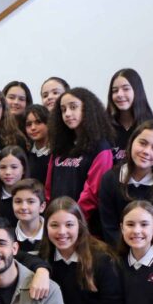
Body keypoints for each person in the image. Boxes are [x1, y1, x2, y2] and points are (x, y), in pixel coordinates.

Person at [98, 120, 153, 246]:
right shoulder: (110, 179)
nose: (146, 151)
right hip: (120, 255)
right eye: (142, 143)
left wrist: (149, 259)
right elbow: (109, 229)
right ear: (131, 142)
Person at [46, 87, 115, 226]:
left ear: (87, 110)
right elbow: (48, 187)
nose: (67, 114)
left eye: (73, 107)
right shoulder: (60, 146)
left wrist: (73, 219)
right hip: (58, 222)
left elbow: (93, 191)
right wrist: (51, 215)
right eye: (63, 109)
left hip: (84, 225)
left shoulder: (100, 147)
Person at [106, 68, 153, 163]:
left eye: (126, 89)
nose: (119, 94)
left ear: (137, 91)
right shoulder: (105, 127)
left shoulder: (151, 126)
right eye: (115, 91)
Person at [0, 145, 30, 222]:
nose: (8, 172)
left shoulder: (32, 196)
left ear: (24, 170)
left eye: (14, 167)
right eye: (3, 167)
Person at [6, 178, 46, 256]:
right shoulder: (7, 237)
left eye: (30, 201)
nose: (23, 207)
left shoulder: (52, 234)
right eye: (18, 201)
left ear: (42, 207)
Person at [23, 104, 51, 183]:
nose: (33, 128)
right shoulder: (26, 153)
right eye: (29, 124)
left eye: (38, 122)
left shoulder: (57, 154)